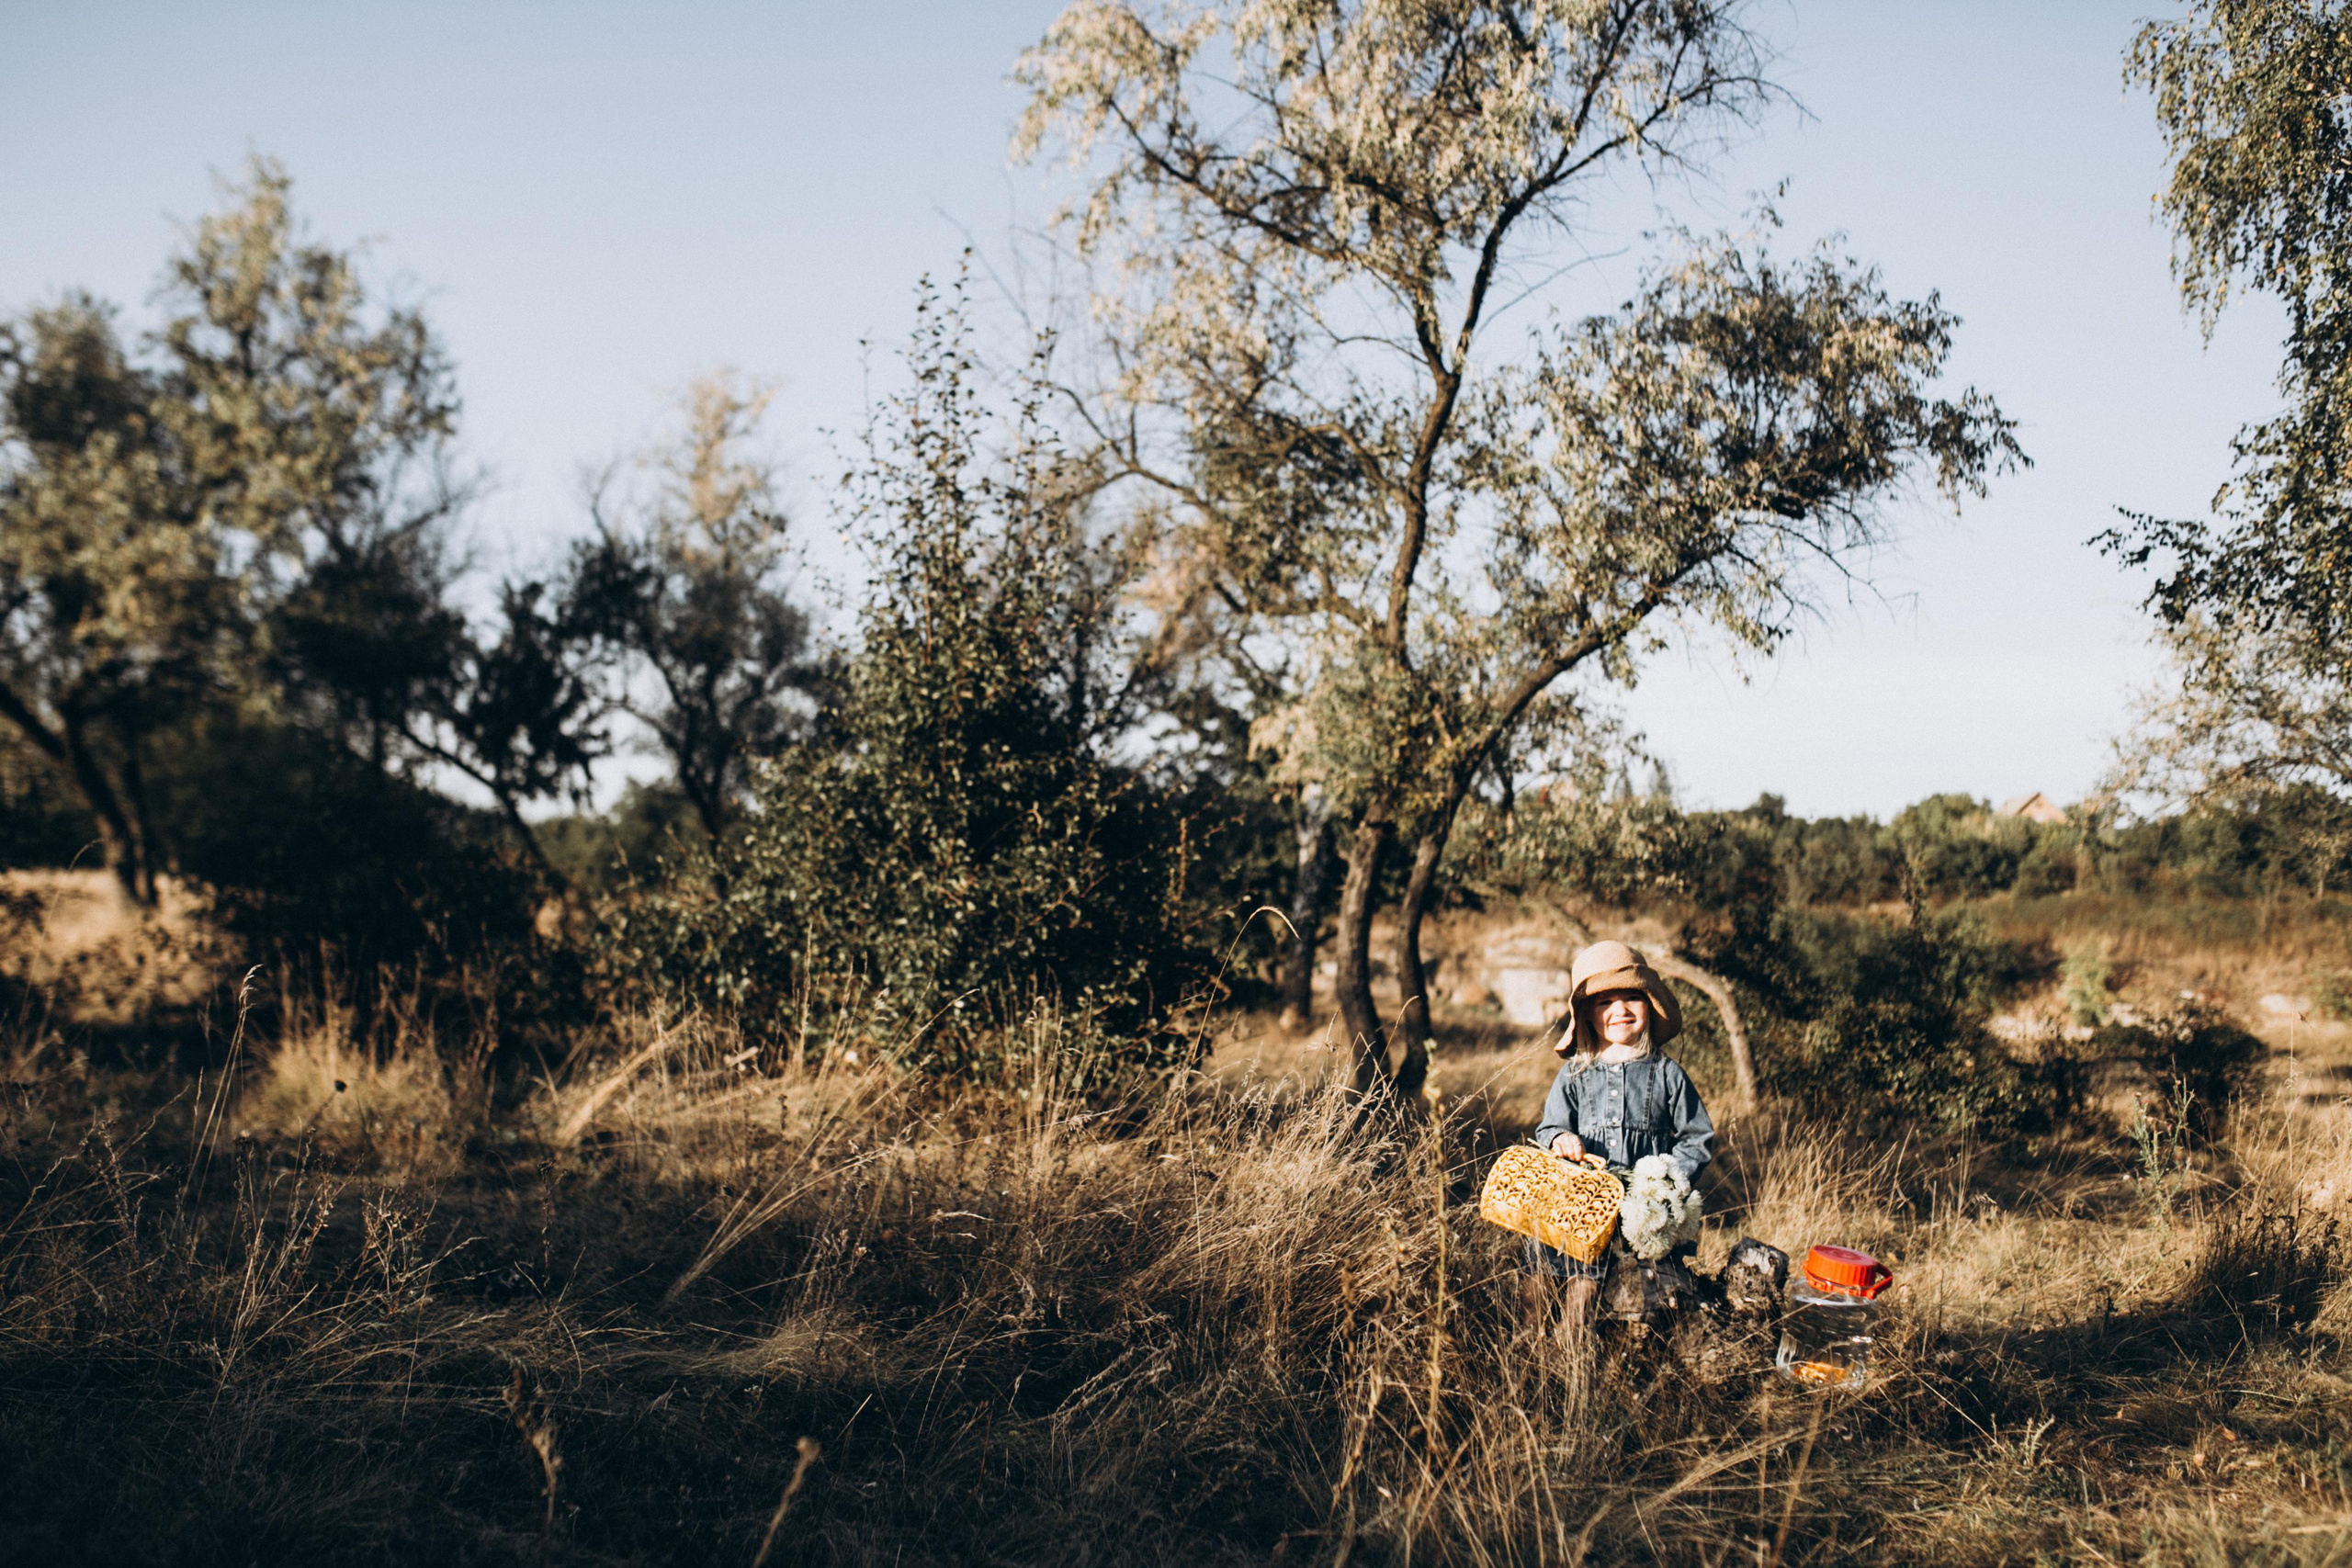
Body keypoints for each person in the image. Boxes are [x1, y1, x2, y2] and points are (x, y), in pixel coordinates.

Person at [1522, 940, 1715, 1331]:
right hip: (1578, 1206)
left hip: (1637, 1215)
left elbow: (1697, 1137)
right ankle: (1527, 1355)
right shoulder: (1575, 1074)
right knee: (1538, 1282)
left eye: (1631, 998)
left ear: (1650, 1005)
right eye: (1604, 1002)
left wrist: (1663, 1185)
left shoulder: (1666, 1074)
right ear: (1589, 1016)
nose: (1620, 1010)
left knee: (1588, 1298)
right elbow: (1550, 1128)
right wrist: (1560, 1138)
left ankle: (1573, 1355)